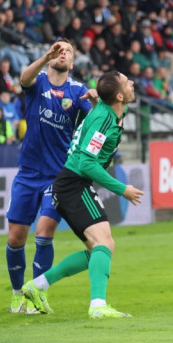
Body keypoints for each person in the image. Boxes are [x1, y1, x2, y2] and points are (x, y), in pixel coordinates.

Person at [20, 70, 144, 319]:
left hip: (72, 183)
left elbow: (103, 112)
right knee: (104, 243)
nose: (132, 82)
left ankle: (37, 286)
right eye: (126, 81)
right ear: (119, 96)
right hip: (74, 183)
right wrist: (123, 189)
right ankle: (97, 305)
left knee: (97, 251)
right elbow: (87, 162)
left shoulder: (114, 112)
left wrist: (97, 100)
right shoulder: (104, 120)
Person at [5, 40, 95, 315]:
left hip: (57, 177)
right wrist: (45, 56)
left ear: (73, 59)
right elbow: (23, 78)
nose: (63, 53)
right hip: (29, 172)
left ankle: (37, 292)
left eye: (68, 50)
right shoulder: (38, 81)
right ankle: (18, 294)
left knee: (45, 233)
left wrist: (97, 102)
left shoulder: (78, 91)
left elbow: (93, 125)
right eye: (59, 49)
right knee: (16, 237)